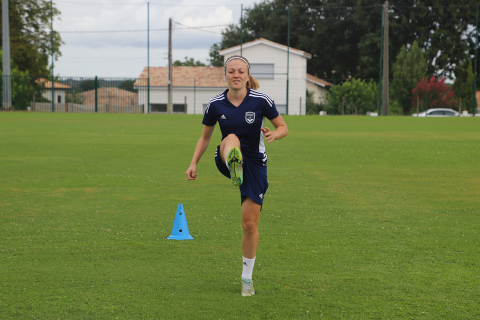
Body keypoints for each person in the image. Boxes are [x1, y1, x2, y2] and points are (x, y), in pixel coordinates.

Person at [185, 55, 288, 296]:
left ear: (247, 74)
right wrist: (193, 163)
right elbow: (206, 137)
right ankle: (235, 165)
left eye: (240, 71)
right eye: (231, 71)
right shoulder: (216, 104)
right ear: (225, 75)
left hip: (255, 164)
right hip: (226, 155)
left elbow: (283, 127)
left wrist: (274, 134)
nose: (236, 75)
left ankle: (246, 278)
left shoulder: (261, 101)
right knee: (231, 138)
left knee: (249, 224)